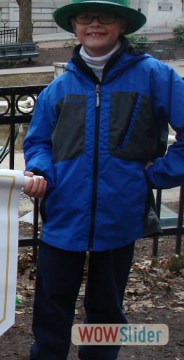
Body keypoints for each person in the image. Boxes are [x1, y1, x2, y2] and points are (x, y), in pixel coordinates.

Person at [23, 0, 184, 359]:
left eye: (106, 16)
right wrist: (42, 172)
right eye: (85, 17)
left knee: (106, 306)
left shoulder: (154, 76)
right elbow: (38, 142)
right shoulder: (60, 87)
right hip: (64, 214)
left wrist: (159, 174)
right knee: (51, 304)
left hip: (120, 215)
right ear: (75, 26)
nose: (94, 24)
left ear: (123, 25)